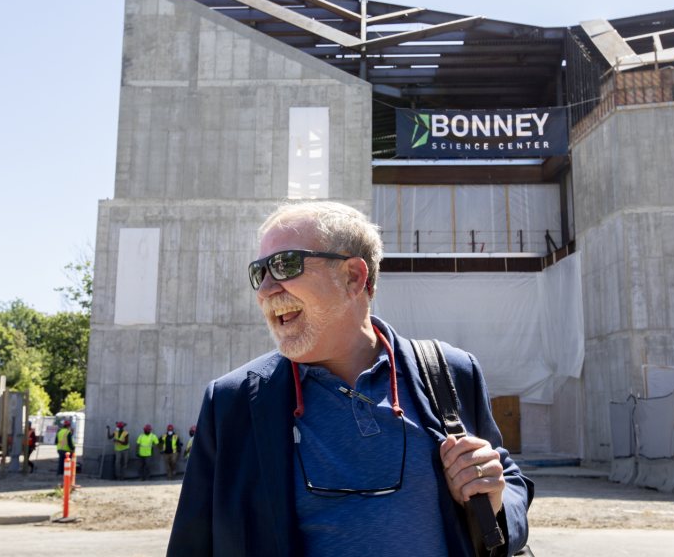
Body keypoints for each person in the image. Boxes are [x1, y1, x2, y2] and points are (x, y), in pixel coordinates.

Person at [167, 201, 533, 556]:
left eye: (284, 265)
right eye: (258, 273)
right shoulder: (234, 402)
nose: (265, 290)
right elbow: (193, 543)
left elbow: (510, 485)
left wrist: (493, 496)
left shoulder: (449, 372)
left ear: (353, 277)